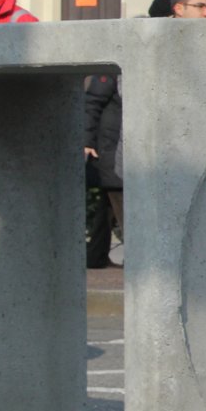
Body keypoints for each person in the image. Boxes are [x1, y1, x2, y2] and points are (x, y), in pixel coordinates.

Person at [84, 72, 124, 269]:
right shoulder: (109, 72)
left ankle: (95, 257)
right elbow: (92, 103)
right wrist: (87, 141)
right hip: (112, 149)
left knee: (107, 205)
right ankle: (139, 258)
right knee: (119, 199)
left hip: (116, 147)